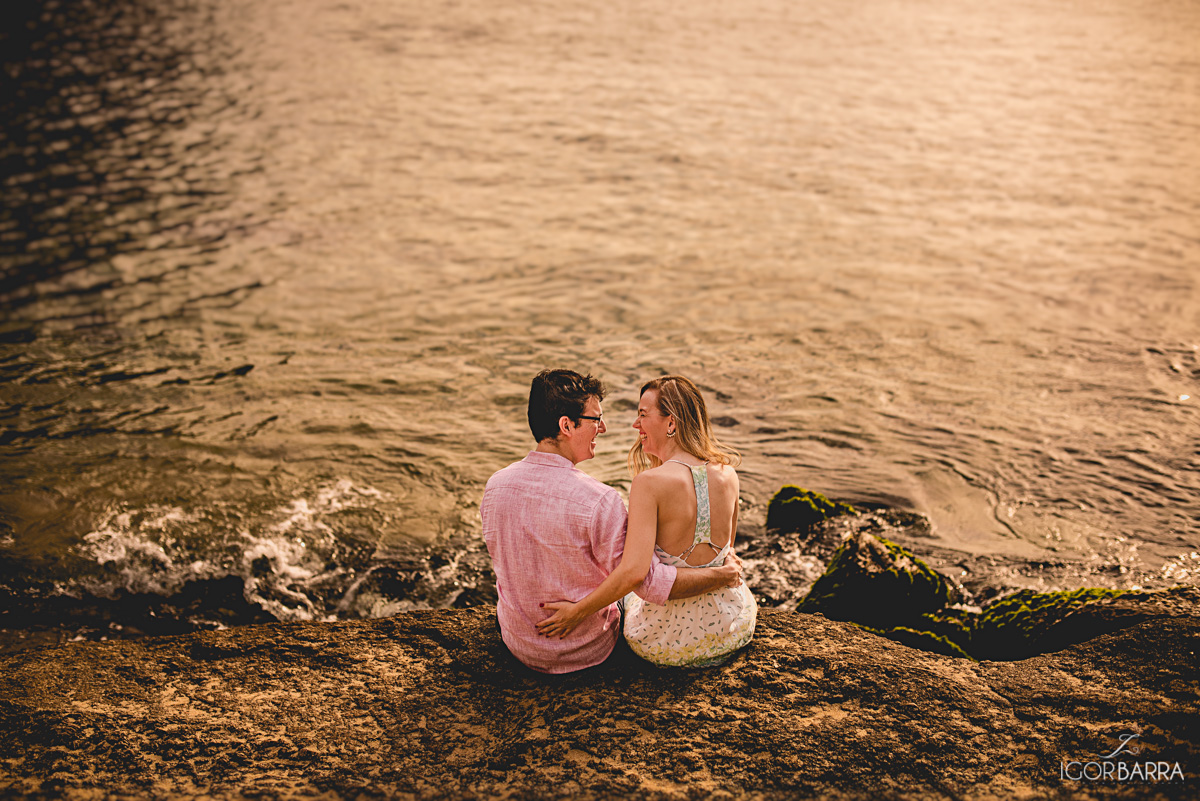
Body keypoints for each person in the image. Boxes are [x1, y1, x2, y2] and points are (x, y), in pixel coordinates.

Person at [480, 369, 743, 675]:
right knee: (627, 586)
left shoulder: (495, 486)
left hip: (518, 643)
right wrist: (724, 575)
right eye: (596, 419)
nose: (603, 428)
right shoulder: (599, 500)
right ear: (567, 425)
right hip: (586, 649)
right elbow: (643, 580)